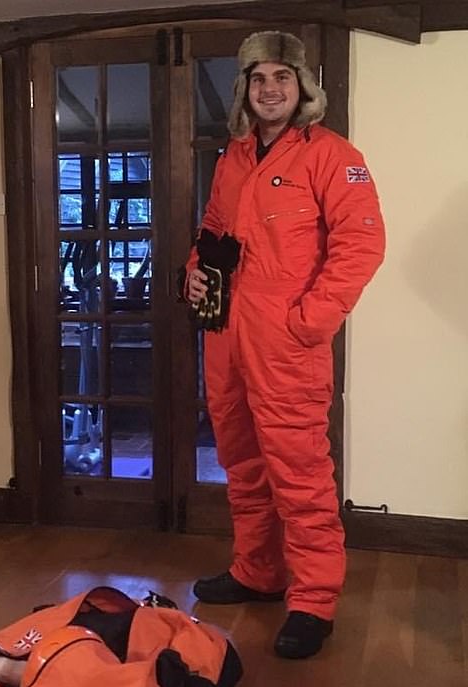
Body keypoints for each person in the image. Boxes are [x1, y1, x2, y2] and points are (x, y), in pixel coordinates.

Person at [182, 30, 385, 659]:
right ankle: (258, 572)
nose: (271, 90)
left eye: (283, 79)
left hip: (287, 344)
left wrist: (308, 322)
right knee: (242, 463)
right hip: (227, 339)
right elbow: (215, 227)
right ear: (245, 88)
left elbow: (362, 244)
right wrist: (196, 266)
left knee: (299, 476)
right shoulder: (234, 157)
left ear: (302, 89)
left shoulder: (332, 155)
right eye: (259, 79)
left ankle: (314, 600)